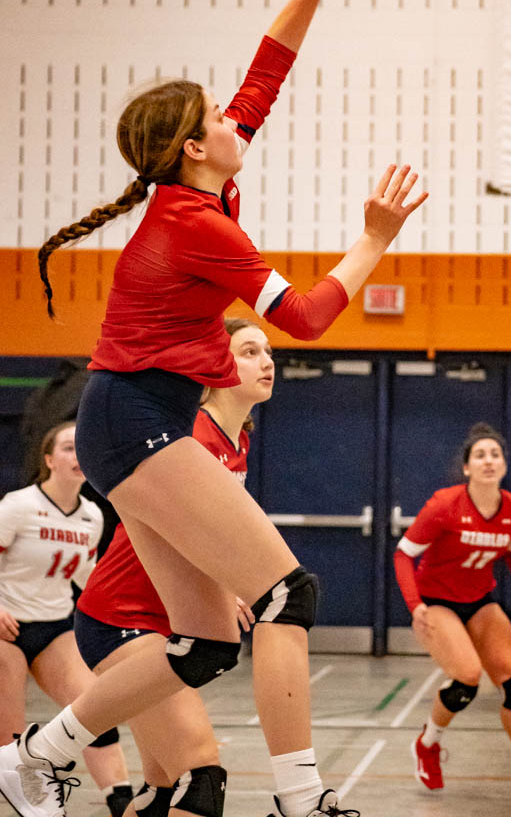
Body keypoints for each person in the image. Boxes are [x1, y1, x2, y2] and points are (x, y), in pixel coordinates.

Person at [0, 0, 426, 817]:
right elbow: (305, 318)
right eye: (218, 122)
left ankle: (36, 752)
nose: (237, 123)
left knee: (201, 644)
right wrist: (374, 242)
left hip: (128, 415)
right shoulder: (199, 227)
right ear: (194, 147)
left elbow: (263, 75)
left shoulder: (200, 188)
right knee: (288, 591)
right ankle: (301, 798)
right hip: (135, 417)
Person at [74, 317, 273, 817]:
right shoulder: (189, 438)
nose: (267, 361)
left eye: (269, 352)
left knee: (162, 790)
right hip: (123, 617)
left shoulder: (236, 443)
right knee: (201, 778)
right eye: (249, 351)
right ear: (214, 366)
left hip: (169, 626)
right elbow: (169, 533)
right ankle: (34, 755)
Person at [394, 422, 511, 804]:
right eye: (480, 455)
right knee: (468, 678)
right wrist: (414, 605)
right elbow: (403, 554)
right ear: (468, 468)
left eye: (495, 455)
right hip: (437, 601)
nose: (489, 461)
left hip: (479, 600)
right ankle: (427, 744)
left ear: (503, 466)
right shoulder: (444, 505)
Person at [0, 423, 133, 817]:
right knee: (10, 733)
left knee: (94, 709)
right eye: (68, 448)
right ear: (48, 460)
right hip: (6, 626)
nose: (77, 457)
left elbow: (87, 579)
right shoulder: (18, 505)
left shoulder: (92, 516)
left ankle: (121, 799)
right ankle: (26, 797)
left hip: (55, 626)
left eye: (83, 449)